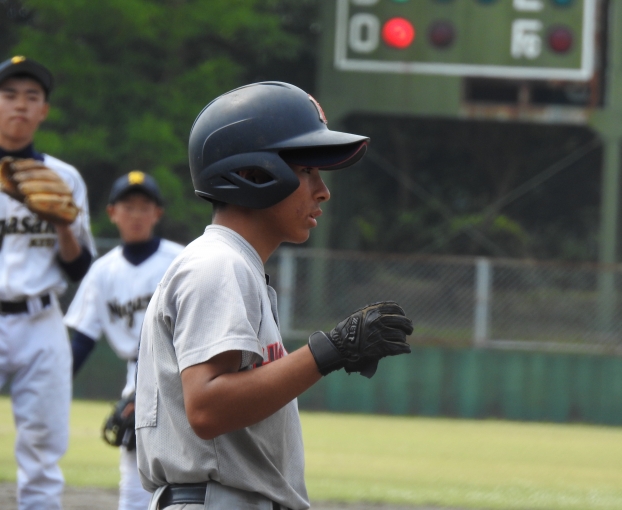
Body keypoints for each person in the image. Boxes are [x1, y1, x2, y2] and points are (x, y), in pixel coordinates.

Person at [135, 81, 414, 510]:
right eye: (307, 171)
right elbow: (207, 408)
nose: (322, 190)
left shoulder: (234, 264)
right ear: (252, 174)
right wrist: (330, 350)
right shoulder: (218, 265)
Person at [0, 56, 95, 509]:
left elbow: (79, 269)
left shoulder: (63, 178)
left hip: (41, 322)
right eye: (9, 95)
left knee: (42, 450)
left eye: (31, 96)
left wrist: (61, 224)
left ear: (44, 111)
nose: (20, 104)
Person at [64, 171, 183, 510]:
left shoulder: (181, 259)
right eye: (128, 207)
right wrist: (57, 386)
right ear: (112, 212)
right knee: (134, 484)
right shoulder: (102, 271)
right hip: (138, 378)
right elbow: (83, 339)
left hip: (184, 368)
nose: (136, 215)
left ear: (157, 213)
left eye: (144, 206)